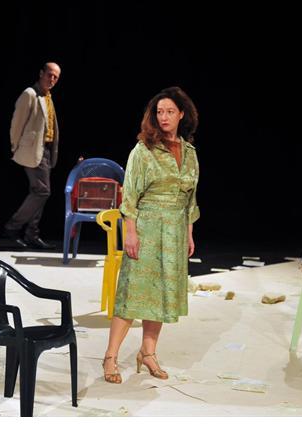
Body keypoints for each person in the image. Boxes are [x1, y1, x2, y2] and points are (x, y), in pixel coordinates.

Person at [102, 87, 200, 383]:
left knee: (159, 295)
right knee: (133, 293)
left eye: (170, 111)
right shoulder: (143, 150)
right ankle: (110, 357)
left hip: (174, 231)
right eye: (159, 112)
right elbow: (130, 195)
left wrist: (189, 233)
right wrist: (130, 232)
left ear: (181, 114)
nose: (164, 117)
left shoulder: (190, 153)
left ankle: (148, 352)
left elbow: (191, 199)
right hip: (146, 227)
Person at [3, 62, 61, 250]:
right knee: (42, 191)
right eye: (49, 74)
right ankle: (13, 227)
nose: (52, 79)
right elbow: (16, 123)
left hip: (46, 151)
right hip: (33, 149)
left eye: (56, 77)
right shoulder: (30, 94)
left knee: (39, 193)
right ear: (41, 73)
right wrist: (15, 146)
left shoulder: (48, 96)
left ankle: (32, 233)